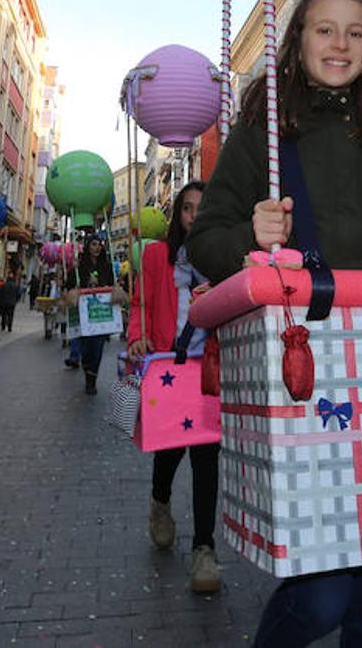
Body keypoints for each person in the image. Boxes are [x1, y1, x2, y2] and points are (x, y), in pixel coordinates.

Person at [186, 0, 362, 647]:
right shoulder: (262, 136)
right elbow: (205, 241)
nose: (340, 45)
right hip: (307, 373)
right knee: (319, 601)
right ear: (297, 43)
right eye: (324, 31)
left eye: (355, 33)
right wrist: (249, 237)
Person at [127, 180, 222, 594]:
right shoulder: (155, 255)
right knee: (169, 453)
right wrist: (136, 335)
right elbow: (140, 305)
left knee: (206, 457)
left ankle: (205, 547)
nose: (194, 216)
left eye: (202, 208)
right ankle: (160, 503)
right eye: (187, 208)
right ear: (177, 214)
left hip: (208, 370)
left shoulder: (222, 260)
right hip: (168, 365)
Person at [63, 233, 122, 395]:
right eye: (93, 244)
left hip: (101, 314)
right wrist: (72, 270)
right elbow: (69, 285)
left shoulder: (106, 266)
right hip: (84, 314)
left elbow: (111, 284)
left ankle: (92, 380)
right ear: (88, 246)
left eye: (99, 244)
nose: (97, 247)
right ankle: (87, 369)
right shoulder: (80, 265)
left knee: (98, 347)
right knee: (86, 347)